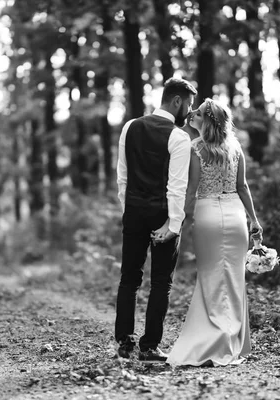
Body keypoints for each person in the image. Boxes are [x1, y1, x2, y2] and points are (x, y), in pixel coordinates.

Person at [159, 98, 263, 367]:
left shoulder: (196, 148)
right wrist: (254, 221)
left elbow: (191, 190)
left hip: (207, 216)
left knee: (209, 278)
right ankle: (233, 341)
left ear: (206, 121)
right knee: (234, 279)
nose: (192, 114)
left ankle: (212, 337)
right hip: (235, 215)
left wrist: (175, 221)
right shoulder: (236, 148)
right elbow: (243, 187)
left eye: (198, 114)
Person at [115, 77, 198, 363]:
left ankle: (125, 343)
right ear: (177, 101)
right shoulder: (178, 137)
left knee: (129, 277)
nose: (190, 110)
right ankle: (149, 347)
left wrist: (128, 210)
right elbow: (176, 188)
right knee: (161, 283)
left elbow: (122, 176)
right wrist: (173, 226)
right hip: (162, 215)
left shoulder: (130, 127)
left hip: (135, 211)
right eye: (188, 104)